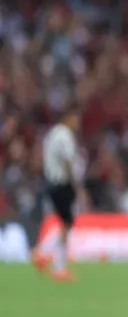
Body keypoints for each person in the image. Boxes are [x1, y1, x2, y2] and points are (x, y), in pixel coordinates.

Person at [36, 107, 85, 282]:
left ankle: (44, 253)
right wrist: (75, 184)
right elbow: (67, 161)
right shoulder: (65, 135)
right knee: (67, 223)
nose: (77, 122)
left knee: (65, 223)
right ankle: (57, 265)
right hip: (63, 183)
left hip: (51, 181)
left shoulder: (51, 134)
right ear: (68, 117)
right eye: (76, 118)